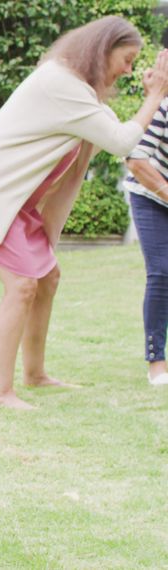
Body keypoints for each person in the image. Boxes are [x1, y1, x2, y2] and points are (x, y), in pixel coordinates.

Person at [0, 16, 168, 409]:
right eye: (127, 59)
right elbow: (122, 142)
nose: (129, 70)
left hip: (12, 194)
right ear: (104, 50)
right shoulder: (62, 84)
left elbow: (99, 147)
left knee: (47, 276)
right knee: (21, 286)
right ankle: (1, 393)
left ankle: (35, 374)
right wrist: (155, 96)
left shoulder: (79, 90)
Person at [124, 97, 168, 386]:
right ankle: (156, 360)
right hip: (149, 193)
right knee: (163, 270)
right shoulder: (165, 108)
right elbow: (135, 158)